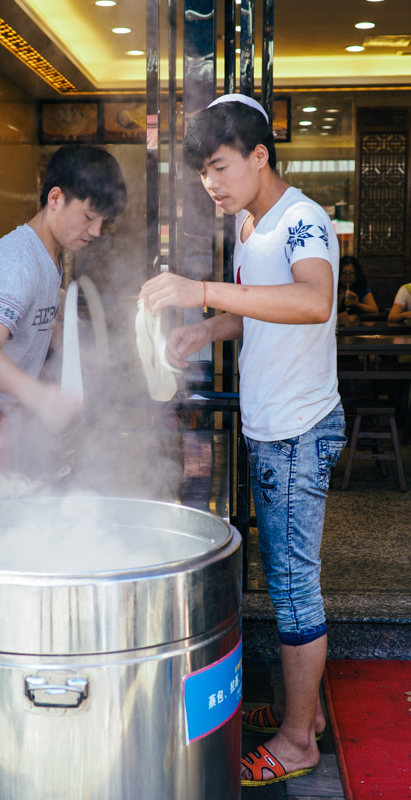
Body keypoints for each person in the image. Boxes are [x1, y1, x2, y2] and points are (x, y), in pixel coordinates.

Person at [139, 94, 347, 788]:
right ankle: (304, 715)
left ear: (260, 156)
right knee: (286, 581)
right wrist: (205, 329)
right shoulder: (251, 225)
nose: (212, 185)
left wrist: (199, 290)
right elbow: (262, 309)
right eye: (203, 173)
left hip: (296, 429)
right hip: (270, 425)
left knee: (293, 588)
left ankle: (296, 742)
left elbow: (311, 300)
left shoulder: (300, 222)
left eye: (221, 168)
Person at [0, 144, 127, 514]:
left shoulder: (49, 257)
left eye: (103, 222)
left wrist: (83, 356)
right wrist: (41, 398)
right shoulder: (19, 260)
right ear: (56, 198)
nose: (96, 231)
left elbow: (37, 323)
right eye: (89, 216)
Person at [337, 255, 378, 326]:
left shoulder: (361, 288)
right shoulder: (333, 289)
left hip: (357, 325)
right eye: (344, 273)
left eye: (351, 273)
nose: (347, 277)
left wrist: (358, 304)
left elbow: (374, 309)